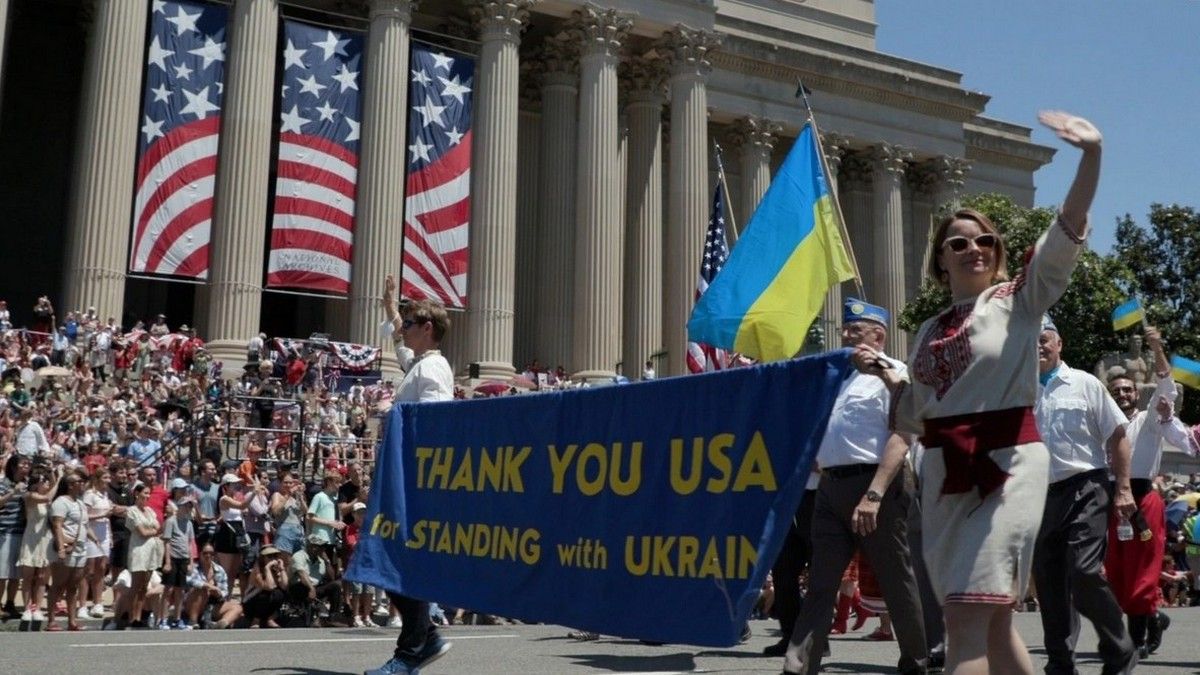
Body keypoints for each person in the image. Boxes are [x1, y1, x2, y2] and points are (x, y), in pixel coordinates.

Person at [848, 111, 1101, 675]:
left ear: (998, 250)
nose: (973, 249)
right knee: (992, 619)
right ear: (940, 257)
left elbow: (1067, 229)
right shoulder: (931, 330)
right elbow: (915, 416)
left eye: (984, 239)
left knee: (964, 617)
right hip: (943, 474)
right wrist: (895, 384)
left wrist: (1091, 156)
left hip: (1007, 464)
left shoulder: (1019, 300)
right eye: (958, 242)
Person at [782, 299, 927, 674]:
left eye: (855, 329)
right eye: (846, 328)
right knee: (820, 582)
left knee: (896, 580)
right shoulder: (838, 378)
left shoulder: (896, 375)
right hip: (831, 488)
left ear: (878, 336)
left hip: (877, 487)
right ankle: (800, 665)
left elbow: (903, 435)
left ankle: (916, 661)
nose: (846, 334)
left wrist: (875, 495)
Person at [1034, 315, 1138, 674]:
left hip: (1086, 487)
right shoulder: (1018, 389)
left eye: (1044, 338)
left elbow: (1119, 436)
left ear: (1059, 343)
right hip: (1037, 496)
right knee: (1048, 582)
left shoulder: (1085, 384)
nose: (1038, 346)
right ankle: (1060, 663)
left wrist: (1123, 488)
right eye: (1030, 340)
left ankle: (1119, 646)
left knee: (1083, 569)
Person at [366, 274, 454, 675]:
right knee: (387, 557)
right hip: (402, 475)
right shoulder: (423, 365)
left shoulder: (434, 371)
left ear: (428, 329)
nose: (404, 327)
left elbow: (435, 425)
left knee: (389, 556)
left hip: (412, 478)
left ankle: (415, 646)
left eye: (411, 322)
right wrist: (388, 306)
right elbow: (400, 349)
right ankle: (421, 638)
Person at [1103, 326, 1193, 658]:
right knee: (1117, 570)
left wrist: (1156, 347)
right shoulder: (1104, 425)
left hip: (1144, 503)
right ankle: (1154, 617)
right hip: (1115, 503)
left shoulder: (1150, 419)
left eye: (1128, 389)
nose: (1123, 394)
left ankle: (1137, 639)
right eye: (1116, 390)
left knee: (1143, 569)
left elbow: (1167, 385)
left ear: (1136, 393)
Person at [45, 469, 92, 631]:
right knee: (58, 584)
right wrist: (61, 548)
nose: (82, 484)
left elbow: (84, 524)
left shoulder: (79, 503)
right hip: (66, 546)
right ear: (71, 485)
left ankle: (72, 621)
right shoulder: (61, 502)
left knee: (73, 585)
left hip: (80, 548)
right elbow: (57, 525)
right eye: (79, 482)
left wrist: (94, 539)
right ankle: (51, 620)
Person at [17, 464, 61, 626]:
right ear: (36, 483)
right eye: (44, 482)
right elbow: (48, 497)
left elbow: (52, 494)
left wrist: (54, 474)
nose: (47, 484)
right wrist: (59, 478)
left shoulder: (48, 499)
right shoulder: (29, 496)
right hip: (31, 539)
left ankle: (37, 608)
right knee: (28, 576)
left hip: (45, 539)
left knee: (42, 577)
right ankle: (27, 607)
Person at [126, 482, 162, 629]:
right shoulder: (132, 511)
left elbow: (158, 527)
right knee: (135, 586)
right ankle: (130, 618)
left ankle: (138, 617)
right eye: (144, 493)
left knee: (143, 587)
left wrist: (153, 531)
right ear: (136, 494)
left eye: (148, 493)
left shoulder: (150, 511)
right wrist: (153, 531)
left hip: (151, 551)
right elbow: (142, 532)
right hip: (139, 550)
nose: (147, 496)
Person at [0, 455, 31, 620]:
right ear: (13, 467)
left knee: (15, 573)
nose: (26, 466)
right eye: (23, 464)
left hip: (21, 532)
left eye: (28, 464)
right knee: (2, 573)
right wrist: (13, 492)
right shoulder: (3, 484)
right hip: (5, 532)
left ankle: (10, 603)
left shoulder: (28, 485)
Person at [159, 497, 197, 629]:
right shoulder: (171, 521)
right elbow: (167, 542)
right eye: (186, 506)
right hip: (173, 557)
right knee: (168, 589)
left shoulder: (189, 523)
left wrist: (191, 562)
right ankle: (162, 619)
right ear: (179, 507)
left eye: (190, 507)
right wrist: (167, 561)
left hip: (184, 558)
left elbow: (189, 543)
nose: (188, 509)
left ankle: (177, 618)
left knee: (180, 590)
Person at [185, 543, 243, 629]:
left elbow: (225, 591)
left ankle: (221, 624)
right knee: (201, 589)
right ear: (200, 554)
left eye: (211, 553)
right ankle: (193, 622)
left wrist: (218, 593)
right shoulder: (194, 568)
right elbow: (189, 580)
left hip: (212, 605)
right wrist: (208, 586)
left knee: (237, 607)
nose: (208, 555)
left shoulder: (220, 570)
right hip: (193, 605)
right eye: (205, 553)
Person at [80, 467, 113, 619]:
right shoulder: (89, 495)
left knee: (101, 568)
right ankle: (82, 605)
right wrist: (102, 514)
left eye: (108, 478)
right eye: (105, 478)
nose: (108, 481)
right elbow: (84, 516)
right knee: (89, 570)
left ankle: (97, 602)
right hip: (91, 533)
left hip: (104, 533)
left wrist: (110, 535)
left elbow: (108, 517)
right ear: (98, 479)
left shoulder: (105, 495)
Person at [242, 544, 288, 628]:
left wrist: (282, 569)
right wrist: (267, 568)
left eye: (275, 556)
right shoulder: (256, 571)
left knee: (281, 593)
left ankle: (270, 618)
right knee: (266, 593)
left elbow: (284, 586)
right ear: (262, 558)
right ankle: (256, 620)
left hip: (265, 605)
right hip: (251, 604)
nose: (273, 559)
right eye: (269, 556)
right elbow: (269, 587)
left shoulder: (275, 570)